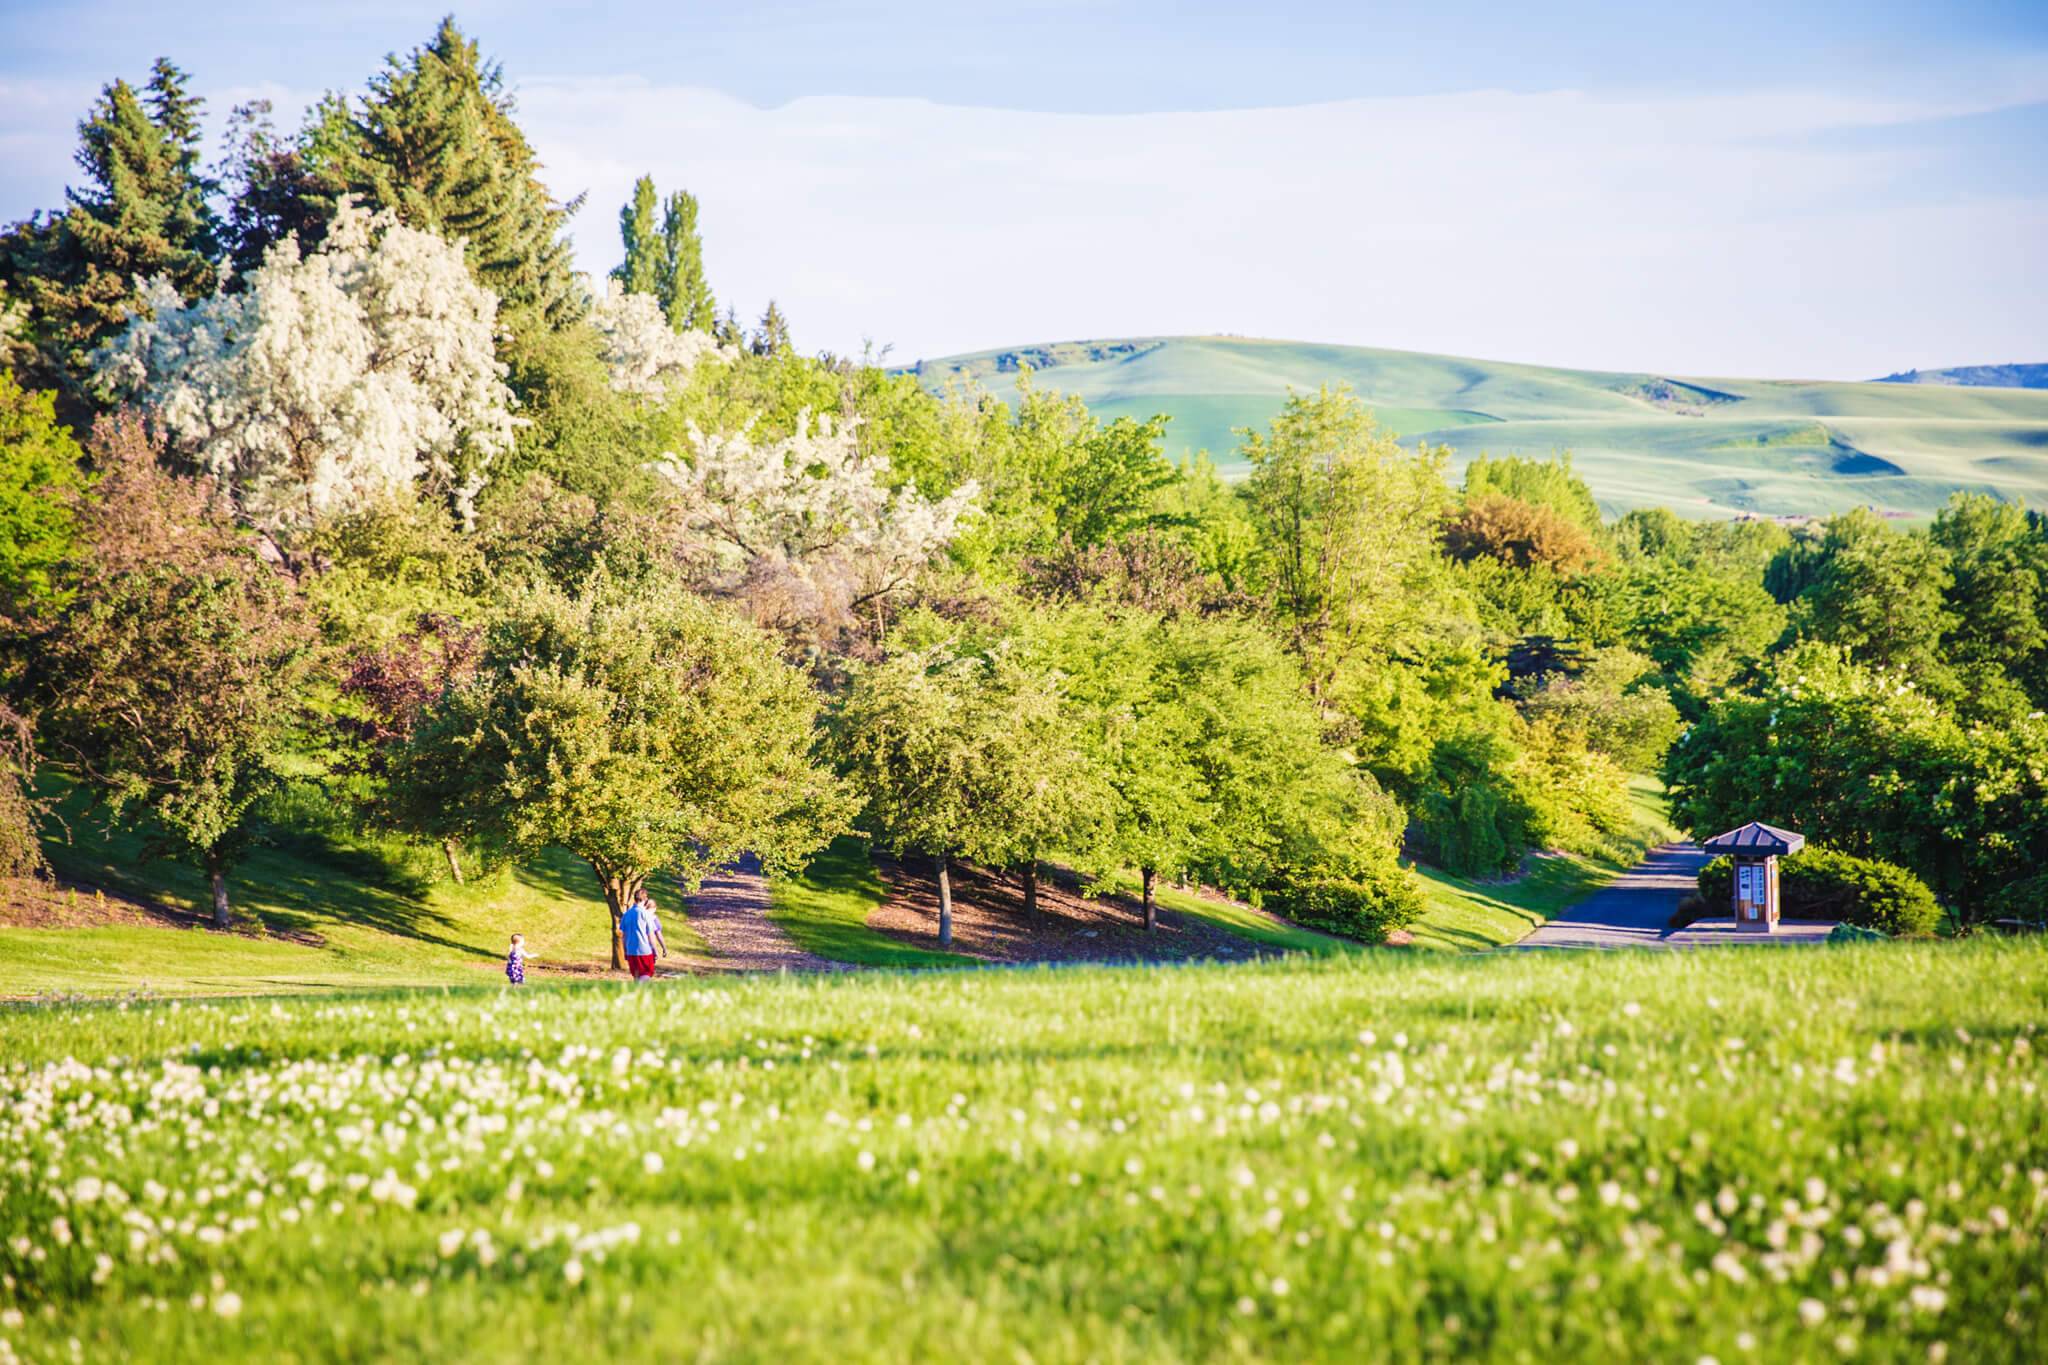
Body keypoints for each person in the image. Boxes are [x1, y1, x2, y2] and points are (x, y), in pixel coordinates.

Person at [619, 888, 666, 982]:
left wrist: (625, 951)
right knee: (647, 973)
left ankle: (637, 995)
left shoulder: (626, 914)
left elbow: (624, 936)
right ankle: (638, 992)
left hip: (631, 951)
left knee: (636, 976)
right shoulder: (645, 914)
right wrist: (655, 950)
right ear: (645, 899)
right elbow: (651, 935)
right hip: (644, 951)